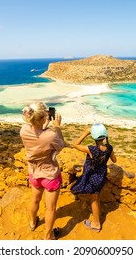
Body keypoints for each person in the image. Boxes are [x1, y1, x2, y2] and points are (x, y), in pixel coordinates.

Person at [20, 102, 64, 240]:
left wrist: (43, 124)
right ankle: (48, 236)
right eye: (45, 114)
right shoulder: (50, 135)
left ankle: (33, 223)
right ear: (43, 118)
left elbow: (37, 132)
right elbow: (60, 145)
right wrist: (57, 128)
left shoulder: (23, 130)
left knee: (34, 200)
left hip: (34, 174)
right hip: (50, 176)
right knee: (50, 208)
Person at [71, 123, 117, 232]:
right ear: (105, 136)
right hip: (100, 177)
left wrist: (86, 133)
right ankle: (94, 211)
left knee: (94, 199)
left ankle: (96, 223)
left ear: (94, 137)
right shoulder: (109, 148)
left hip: (92, 177)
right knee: (95, 197)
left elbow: (75, 144)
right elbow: (114, 160)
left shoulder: (91, 149)